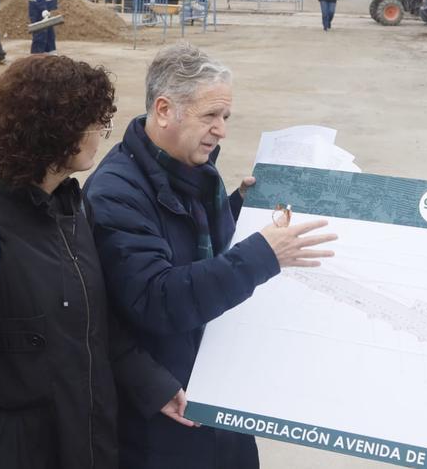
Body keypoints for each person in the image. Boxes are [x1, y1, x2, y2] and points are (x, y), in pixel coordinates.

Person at [0, 55, 186, 469]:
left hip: (91, 446)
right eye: (96, 124)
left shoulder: (75, 212)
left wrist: (153, 385)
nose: (101, 135)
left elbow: (99, 323)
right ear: (59, 132)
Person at [84, 43, 337, 468]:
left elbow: (194, 248)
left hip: (222, 393)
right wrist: (262, 255)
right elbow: (158, 299)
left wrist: (238, 207)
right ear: (164, 110)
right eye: (211, 116)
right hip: (166, 421)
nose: (221, 130)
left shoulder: (190, 168)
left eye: (225, 117)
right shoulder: (116, 193)